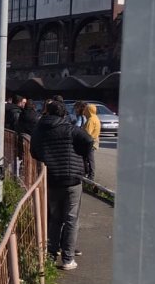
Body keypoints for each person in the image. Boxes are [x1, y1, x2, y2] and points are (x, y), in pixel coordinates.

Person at [30, 99, 93, 271]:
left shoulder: (39, 130)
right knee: (71, 219)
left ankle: (51, 255)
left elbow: (34, 152)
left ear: (47, 112)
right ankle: (67, 259)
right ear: (64, 113)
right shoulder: (70, 128)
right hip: (72, 179)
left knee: (55, 218)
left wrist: (46, 157)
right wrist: (79, 155)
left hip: (51, 178)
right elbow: (88, 141)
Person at [83, 103, 101, 180]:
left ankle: (91, 175)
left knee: (89, 159)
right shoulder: (96, 118)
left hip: (89, 142)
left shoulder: (90, 120)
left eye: (86, 110)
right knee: (89, 158)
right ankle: (89, 173)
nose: (84, 111)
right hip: (94, 140)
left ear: (89, 111)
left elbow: (87, 133)